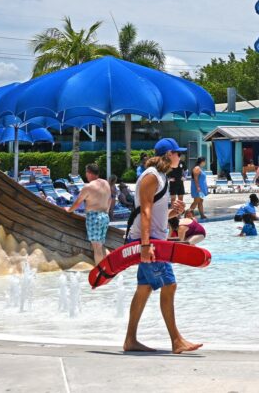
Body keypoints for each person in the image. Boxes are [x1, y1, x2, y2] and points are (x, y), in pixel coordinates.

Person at [123, 138, 201, 354]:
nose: (180, 157)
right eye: (178, 153)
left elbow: (154, 214)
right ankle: (176, 340)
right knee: (169, 284)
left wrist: (171, 214)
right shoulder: (151, 176)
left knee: (144, 288)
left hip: (151, 239)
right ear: (168, 155)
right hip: (147, 242)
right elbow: (145, 211)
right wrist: (146, 245)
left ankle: (130, 340)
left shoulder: (160, 177)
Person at [67, 163, 112, 263]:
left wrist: (68, 210)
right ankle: (106, 271)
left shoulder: (88, 187)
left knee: (96, 247)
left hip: (94, 217)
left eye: (86, 173)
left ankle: (100, 273)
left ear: (89, 173)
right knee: (101, 245)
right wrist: (106, 212)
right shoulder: (106, 183)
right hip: (105, 216)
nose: (86, 175)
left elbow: (77, 203)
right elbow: (110, 199)